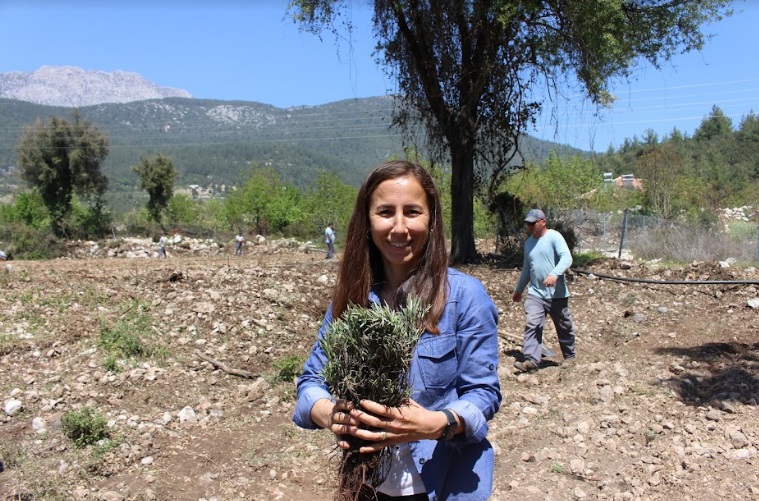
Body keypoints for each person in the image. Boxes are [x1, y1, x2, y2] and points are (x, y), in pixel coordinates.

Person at [293, 160, 502, 500]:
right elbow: (311, 383)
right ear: (367, 221)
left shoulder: (465, 297)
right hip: (367, 485)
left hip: (444, 482)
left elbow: (483, 392)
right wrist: (330, 414)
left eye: (413, 212)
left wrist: (438, 424)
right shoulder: (351, 298)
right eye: (386, 212)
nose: (400, 227)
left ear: (431, 220)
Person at [512, 209, 577, 373]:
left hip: (557, 295)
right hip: (535, 294)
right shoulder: (528, 244)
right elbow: (527, 269)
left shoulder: (554, 237)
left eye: (533, 223)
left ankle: (569, 357)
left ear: (543, 222)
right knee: (532, 324)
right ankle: (531, 361)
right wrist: (519, 290)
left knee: (564, 326)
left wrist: (554, 274)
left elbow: (567, 258)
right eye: (528, 224)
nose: (531, 227)